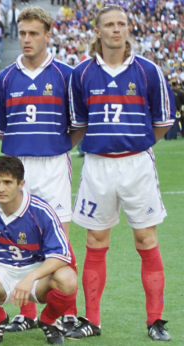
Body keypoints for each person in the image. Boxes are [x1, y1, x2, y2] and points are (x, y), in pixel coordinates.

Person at [67, 5, 173, 341]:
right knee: (96, 241)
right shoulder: (82, 73)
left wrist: (134, 144)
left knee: (146, 239)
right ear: (97, 31)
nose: (116, 29)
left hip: (137, 164)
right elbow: (79, 123)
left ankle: (155, 320)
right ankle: (92, 320)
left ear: (129, 29)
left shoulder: (148, 71)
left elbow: (162, 122)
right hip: (97, 165)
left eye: (122, 24)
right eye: (109, 25)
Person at [0, 6, 78, 333]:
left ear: (47, 36)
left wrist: (56, 146)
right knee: (20, 238)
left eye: (33, 34)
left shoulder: (66, 75)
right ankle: (24, 313)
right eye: (22, 33)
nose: (26, 39)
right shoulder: (5, 77)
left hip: (53, 164)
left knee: (61, 241)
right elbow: (0, 127)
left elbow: (77, 125)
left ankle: (65, 313)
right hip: (17, 166)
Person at [0, 155, 77, 345]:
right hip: (0, 269)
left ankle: (48, 321)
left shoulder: (41, 210)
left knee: (68, 279)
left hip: (36, 272)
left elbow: (62, 256)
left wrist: (30, 278)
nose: (0, 188)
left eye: (7, 182)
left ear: (21, 183)